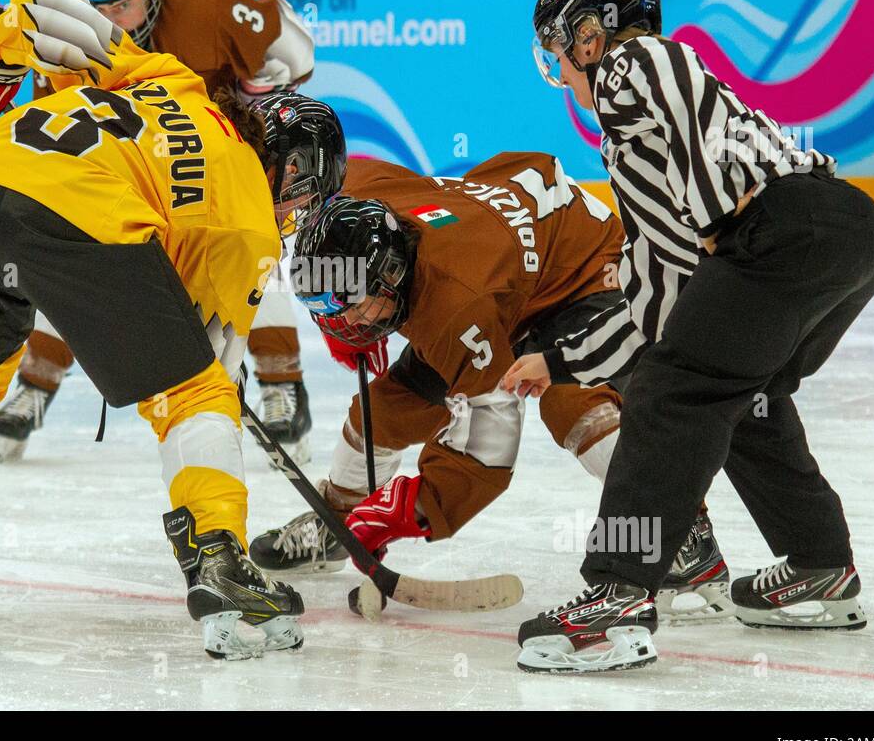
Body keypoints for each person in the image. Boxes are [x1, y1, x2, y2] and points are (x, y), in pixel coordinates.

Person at [0, 0, 347, 659]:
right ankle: (217, 561)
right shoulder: (246, 221)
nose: (294, 217)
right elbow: (209, 366)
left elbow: (44, 9)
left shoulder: (168, 76)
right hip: (64, 219)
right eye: (304, 199)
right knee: (193, 393)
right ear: (290, 172)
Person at [505, 0, 874, 673]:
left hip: (785, 227)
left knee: (669, 392)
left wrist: (718, 216)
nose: (561, 74)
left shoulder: (634, 64)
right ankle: (820, 565)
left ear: (592, 37)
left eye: (561, 54)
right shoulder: (636, 155)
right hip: (851, 236)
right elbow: (657, 310)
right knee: (739, 396)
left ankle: (618, 597)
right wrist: (558, 363)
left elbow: (676, 80)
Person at [251, 155, 732, 624]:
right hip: (503, 266)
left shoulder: (456, 306)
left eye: (354, 305)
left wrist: (412, 509)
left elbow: (490, 444)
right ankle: (340, 520)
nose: (349, 320)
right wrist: (337, 306)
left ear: (392, 275)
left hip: (582, 271)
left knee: (575, 406)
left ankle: (682, 531)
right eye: (331, 305)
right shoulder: (354, 194)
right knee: (385, 409)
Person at [0, 0, 320, 465]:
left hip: (215, 164)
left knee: (249, 248)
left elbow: (298, 53)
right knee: (77, 252)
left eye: (122, 6)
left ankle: (281, 383)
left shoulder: (209, 5)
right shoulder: (64, 35)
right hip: (133, 169)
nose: (108, 23)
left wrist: (259, 90)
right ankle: (37, 380)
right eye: (96, 8)